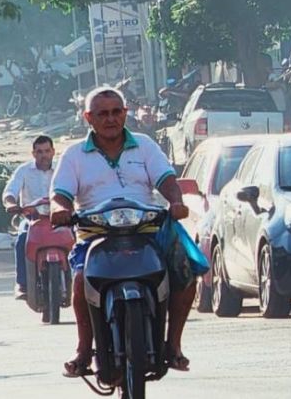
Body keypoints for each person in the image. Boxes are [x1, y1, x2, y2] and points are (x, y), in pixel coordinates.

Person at [50, 85, 200, 378]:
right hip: (95, 234)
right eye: (102, 113)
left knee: (186, 270)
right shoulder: (74, 155)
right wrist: (60, 209)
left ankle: (173, 345)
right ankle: (83, 349)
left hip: (146, 229)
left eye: (116, 112)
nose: (110, 119)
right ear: (88, 118)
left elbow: (167, 180)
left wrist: (176, 201)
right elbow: (60, 194)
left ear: (125, 114)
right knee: (81, 279)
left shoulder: (144, 145)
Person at [2, 135, 57, 300]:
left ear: (53, 152)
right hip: (33, 220)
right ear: (33, 153)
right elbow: (9, 192)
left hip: (59, 219)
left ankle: (77, 280)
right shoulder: (24, 170)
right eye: (39, 152)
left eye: (47, 151)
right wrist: (10, 204)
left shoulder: (63, 168)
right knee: (22, 240)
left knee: (77, 241)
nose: (44, 155)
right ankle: (22, 284)